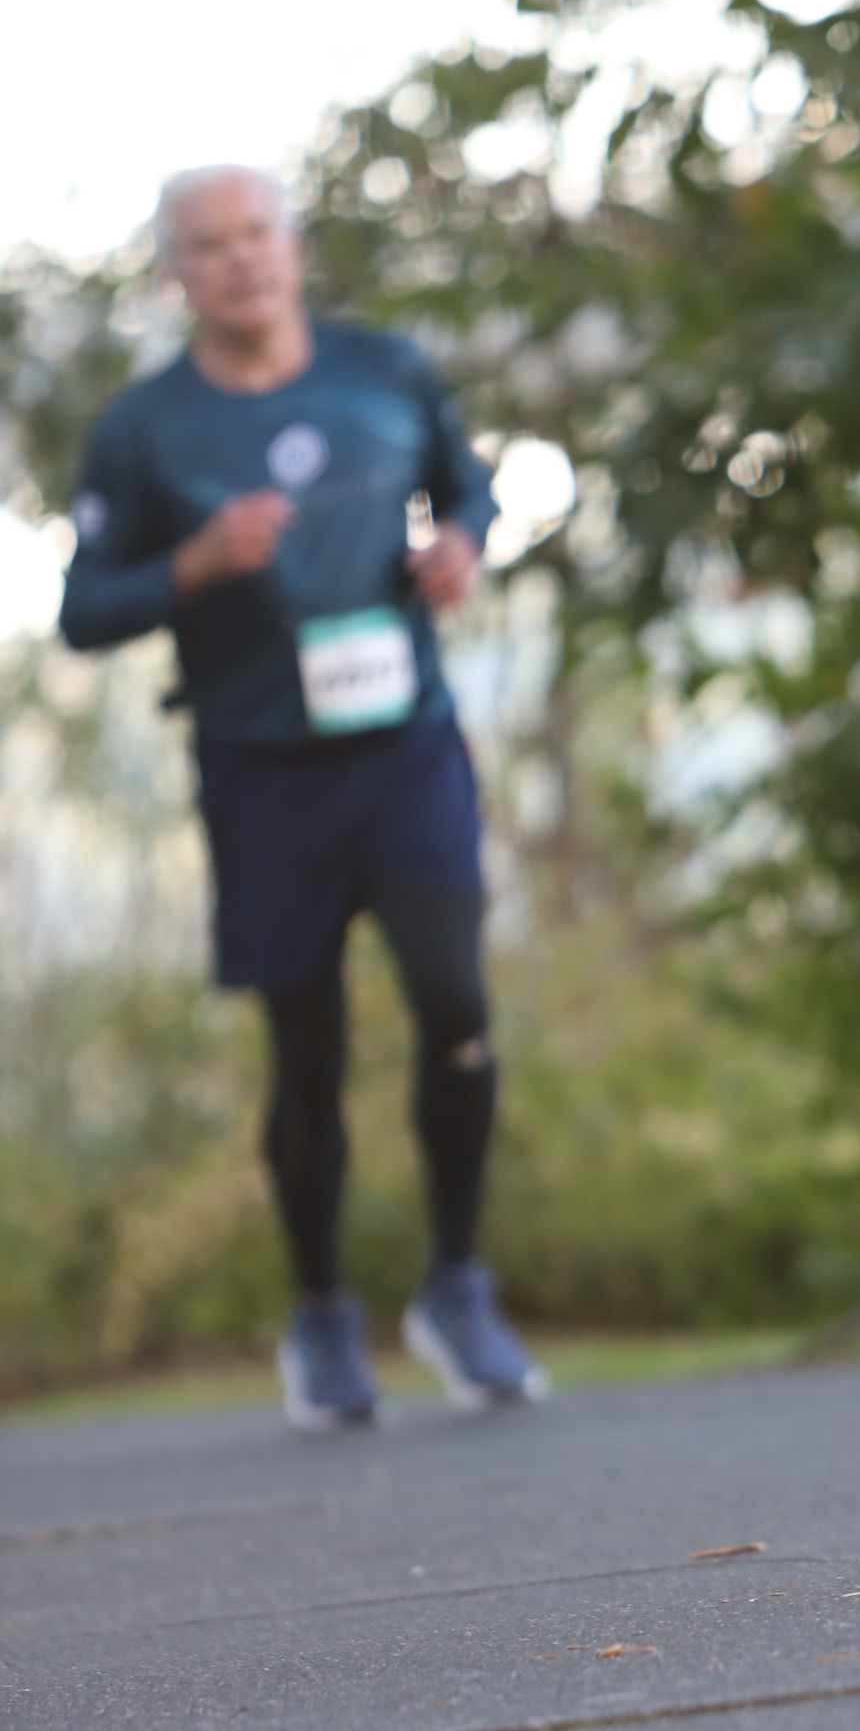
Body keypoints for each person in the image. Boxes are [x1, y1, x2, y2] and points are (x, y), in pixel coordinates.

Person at [59, 166, 547, 1428]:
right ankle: (322, 1311)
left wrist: (459, 544)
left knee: (455, 1000)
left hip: (406, 743)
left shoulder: (385, 370)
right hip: (262, 765)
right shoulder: (146, 426)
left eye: (256, 234)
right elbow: (83, 610)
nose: (239, 260)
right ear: (176, 272)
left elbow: (470, 489)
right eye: (209, 245)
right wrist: (193, 562)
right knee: (308, 1052)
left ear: (292, 245)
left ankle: (456, 1285)